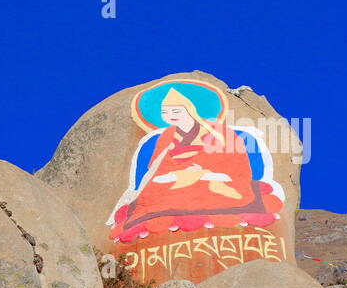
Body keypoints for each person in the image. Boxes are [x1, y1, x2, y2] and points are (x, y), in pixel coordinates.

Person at [109, 87, 282, 243]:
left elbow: (235, 163)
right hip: (176, 182)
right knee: (152, 195)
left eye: (176, 110)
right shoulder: (167, 136)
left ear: (189, 110)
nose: (171, 115)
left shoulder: (217, 132)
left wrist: (203, 172)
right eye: (165, 112)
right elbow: (158, 167)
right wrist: (177, 175)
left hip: (215, 178)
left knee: (213, 189)